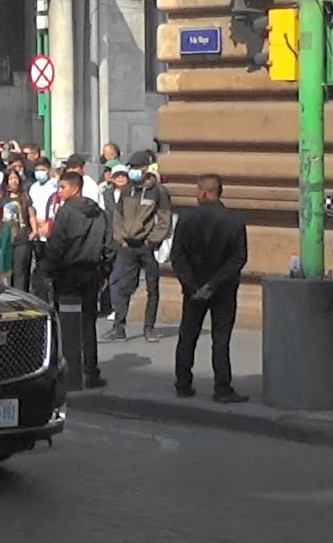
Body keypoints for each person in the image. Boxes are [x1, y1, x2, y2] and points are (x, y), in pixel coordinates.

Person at [170, 174, 249, 403]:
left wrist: (193, 285)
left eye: (197, 190)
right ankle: (222, 387)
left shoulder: (186, 219)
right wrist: (213, 284)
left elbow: (177, 256)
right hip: (223, 290)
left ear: (204, 192)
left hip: (193, 289)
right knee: (221, 339)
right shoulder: (234, 220)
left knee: (187, 335)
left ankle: (183, 383)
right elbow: (238, 258)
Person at [42, 171, 113, 389]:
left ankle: (68, 372)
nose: (59, 191)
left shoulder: (66, 213)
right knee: (88, 323)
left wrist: (47, 271)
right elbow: (109, 247)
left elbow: (57, 246)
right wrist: (104, 273)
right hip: (91, 273)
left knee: (65, 323)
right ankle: (90, 371)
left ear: (75, 188)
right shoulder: (99, 213)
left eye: (62, 187)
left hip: (67, 273)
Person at [105, 154, 173, 343]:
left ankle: (149, 328)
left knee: (152, 288)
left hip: (147, 247)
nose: (132, 171)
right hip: (127, 246)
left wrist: (152, 241)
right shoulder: (128, 190)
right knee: (122, 286)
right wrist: (120, 238)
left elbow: (164, 219)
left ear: (146, 168)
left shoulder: (158, 192)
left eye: (136, 167)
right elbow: (117, 216)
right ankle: (119, 327)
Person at [0, 167, 37, 291]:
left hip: (21, 239)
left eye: (15, 178)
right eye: (10, 178)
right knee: (5, 271)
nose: (13, 181)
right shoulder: (1, 196)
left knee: (20, 270)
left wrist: (34, 231)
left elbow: (31, 215)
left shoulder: (25, 196)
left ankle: (21, 296)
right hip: (4, 238)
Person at [28, 157, 59, 300]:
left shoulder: (54, 186)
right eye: (37, 170)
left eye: (42, 170)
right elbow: (31, 208)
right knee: (39, 265)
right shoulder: (34, 187)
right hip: (37, 231)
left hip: (50, 231)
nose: (39, 173)